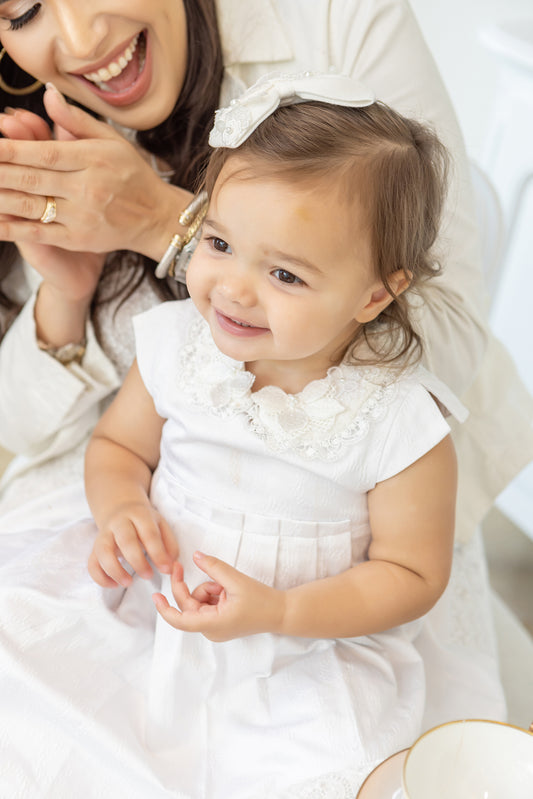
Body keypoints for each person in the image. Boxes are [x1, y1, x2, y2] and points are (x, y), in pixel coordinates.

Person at [0, 0, 529, 762]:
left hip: (310, 637)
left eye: (282, 271)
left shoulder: (398, 419)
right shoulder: (184, 346)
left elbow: (411, 567)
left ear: (376, 294)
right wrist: (66, 295)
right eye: (19, 10)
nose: (234, 293)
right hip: (155, 592)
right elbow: (107, 442)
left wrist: (165, 227)